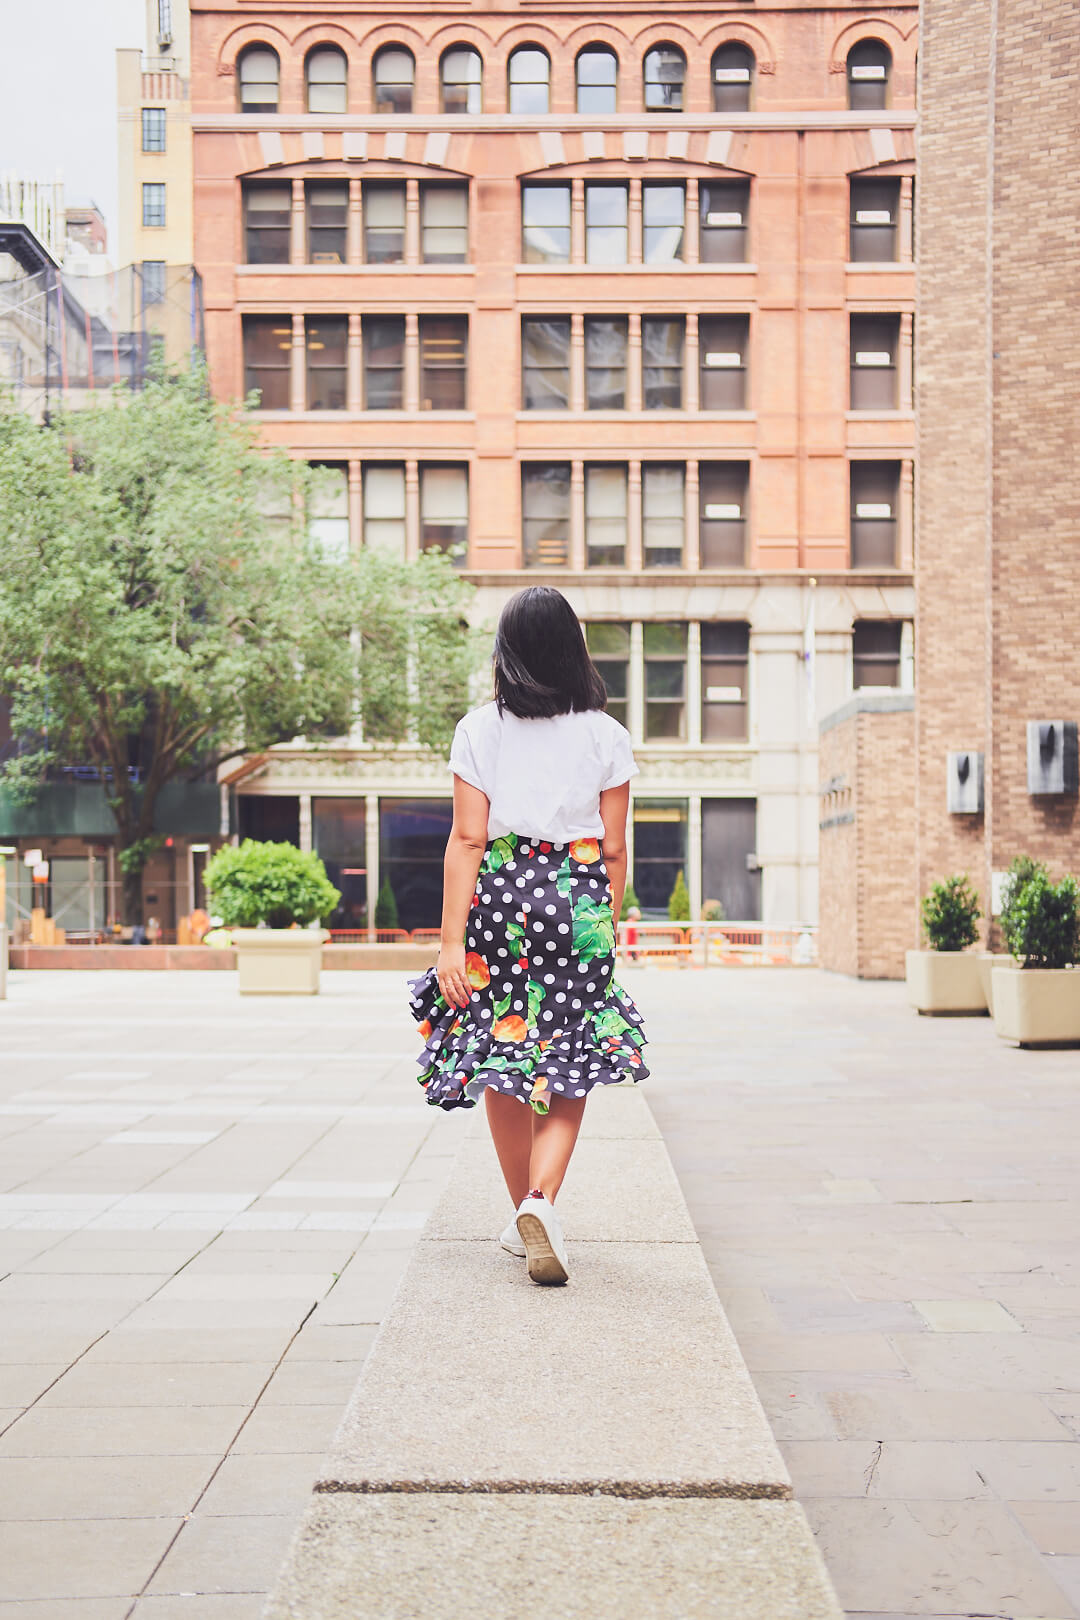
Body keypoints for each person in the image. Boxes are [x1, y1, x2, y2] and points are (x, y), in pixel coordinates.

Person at [409, 586, 649, 1286]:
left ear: (506, 651)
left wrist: (452, 943)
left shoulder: (479, 729)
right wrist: (605, 926)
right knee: (573, 1052)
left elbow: (466, 837)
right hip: (576, 899)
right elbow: (612, 849)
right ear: (574, 649)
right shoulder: (606, 735)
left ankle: (522, 1207)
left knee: (502, 1049)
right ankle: (540, 1200)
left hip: (502, 897)